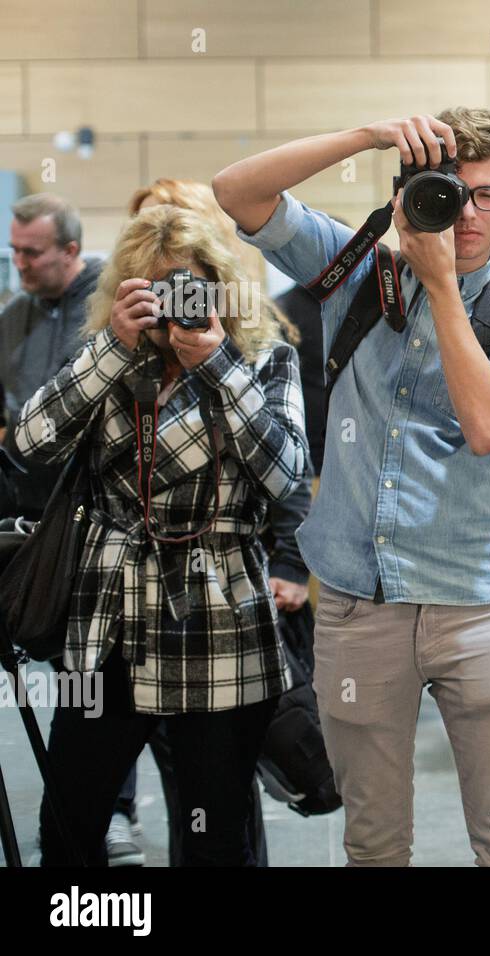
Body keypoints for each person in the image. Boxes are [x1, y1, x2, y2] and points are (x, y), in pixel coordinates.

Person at [214, 107, 490, 867]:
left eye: (488, 196)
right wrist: (365, 136)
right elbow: (235, 191)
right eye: (449, 190)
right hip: (357, 602)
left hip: (475, 602)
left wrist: (440, 285)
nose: (466, 213)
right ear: (408, 192)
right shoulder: (355, 271)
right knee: (372, 843)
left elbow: (487, 428)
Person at [21, 203, 308, 866]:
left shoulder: (263, 359)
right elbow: (33, 443)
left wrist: (216, 365)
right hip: (108, 624)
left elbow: (285, 472)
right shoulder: (109, 357)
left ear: (218, 283)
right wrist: (113, 349)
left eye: (186, 283)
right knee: (68, 829)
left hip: (219, 620)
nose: (172, 300)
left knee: (213, 839)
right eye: (153, 286)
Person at [1, 194, 104, 518]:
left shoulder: (108, 304)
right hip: (23, 497)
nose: (19, 262)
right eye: (15, 249)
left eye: (31, 252)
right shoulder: (13, 314)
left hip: (90, 498)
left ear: (69, 251)